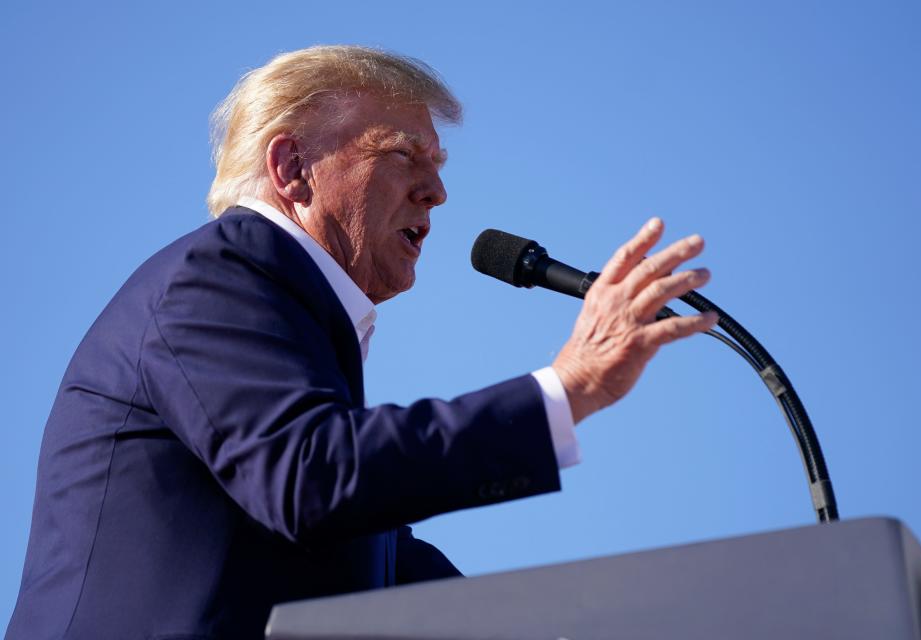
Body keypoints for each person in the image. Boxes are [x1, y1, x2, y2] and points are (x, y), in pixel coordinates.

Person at [5, 46, 717, 640]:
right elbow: (311, 475)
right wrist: (570, 386)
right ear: (292, 170)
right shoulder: (217, 278)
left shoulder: (296, 337)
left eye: (438, 166)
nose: (437, 192)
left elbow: (384, 573)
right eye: (403, 154)